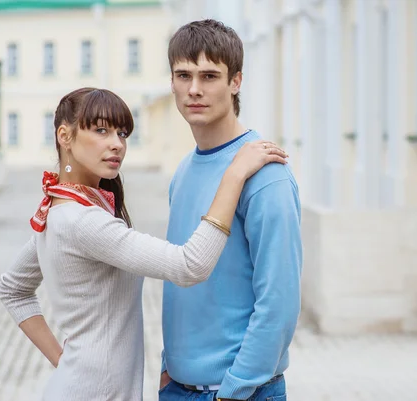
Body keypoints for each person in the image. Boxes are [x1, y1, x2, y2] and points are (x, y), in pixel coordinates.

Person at [0, 87, 287, 401]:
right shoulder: (84, 222)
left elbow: (12, 289)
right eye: (101, 130)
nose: (116, 144)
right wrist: (234, 174)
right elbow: (190, 265)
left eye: (122, 133)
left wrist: (67, 364)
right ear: (65, 136)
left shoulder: (60, 212)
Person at [158, 20, 302, 401]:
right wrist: (166, 367)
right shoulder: (184, 171)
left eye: (209, 76)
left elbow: (279, 301)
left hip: (240, 392)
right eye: (183, 75)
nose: (194, 89)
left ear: (236, 81)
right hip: (178, 388)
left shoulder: (265, 175)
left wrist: (234, 390)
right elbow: (182, 278)